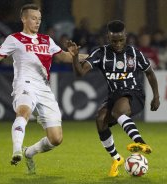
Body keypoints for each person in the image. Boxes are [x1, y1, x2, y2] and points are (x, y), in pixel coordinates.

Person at [0, 4, 87, 174]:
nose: (37, 22)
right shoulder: (14, 39)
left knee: (56, 138)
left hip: (44, 89)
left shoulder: (47, 40)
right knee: (23, 112)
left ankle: (28, 152)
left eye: (39, 19)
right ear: (24, 19)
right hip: (25, 84)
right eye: (33, 18)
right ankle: (16, 150)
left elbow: (65, 56)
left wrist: (89, 56)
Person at [68, 20, 160, 177]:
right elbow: (80, 73)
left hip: (134, 94)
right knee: (100, 119)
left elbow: (150, 73)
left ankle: (140, 142)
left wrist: (156, 96)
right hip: (114, 95)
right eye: (114, 41)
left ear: (126, 36)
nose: (118, 44)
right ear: (108, 38)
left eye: (121, 40)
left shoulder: (135, 53)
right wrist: (75, 57)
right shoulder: (100, 53)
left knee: (118, 111)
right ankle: (117, 159)